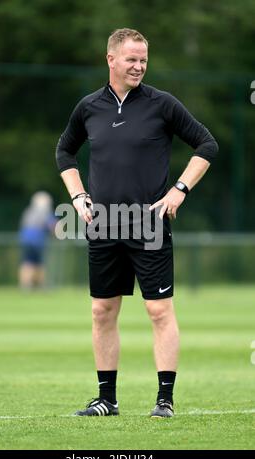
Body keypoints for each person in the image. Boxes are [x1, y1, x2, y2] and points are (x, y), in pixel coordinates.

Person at [55, 28, 218, 417]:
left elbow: (207, 144)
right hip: (104, 224)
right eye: (131, 59)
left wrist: (180, 189)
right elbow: (65, 151)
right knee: (102, 311)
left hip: (149, 224)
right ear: (110, 59)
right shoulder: (89, 107)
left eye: (143, 59)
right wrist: (78, 196)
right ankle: (106, 399)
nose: (139, 66)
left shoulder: (162, 104)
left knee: (159, 311)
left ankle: (165, 400)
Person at [18, 191, 56, 289]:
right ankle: (41, 286)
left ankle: (26, 286)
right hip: (38, 240)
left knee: (27, 262)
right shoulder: (45, 212)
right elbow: (53, 227)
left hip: (24, 239)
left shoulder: (28, 211)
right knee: (40, 263)